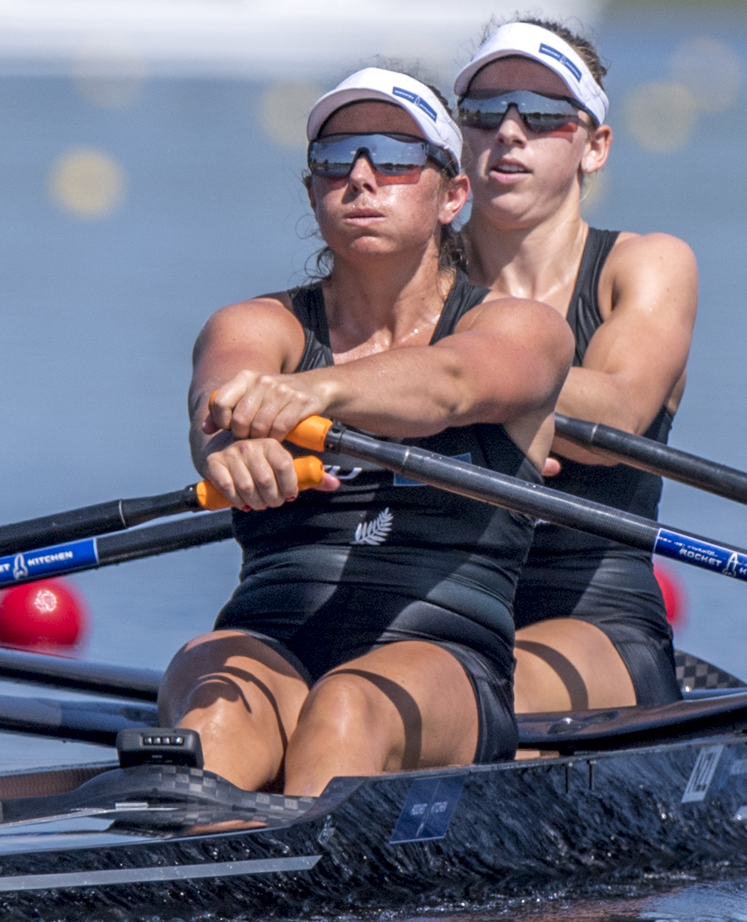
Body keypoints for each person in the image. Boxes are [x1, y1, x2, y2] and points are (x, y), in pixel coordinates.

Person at [163, 67, 575, 794]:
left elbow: (449, 386)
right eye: (334, 161)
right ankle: (176, 870)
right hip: (271, 636)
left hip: (442, 657)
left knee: (346, 709)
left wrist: (307, 395)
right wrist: (233, 449)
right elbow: (221, 401)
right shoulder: (258, 326)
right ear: (311, 190)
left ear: (453, 196)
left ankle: (307, 898)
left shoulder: (522, 329)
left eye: (392, 158)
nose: (359, 178)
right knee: (211, 727)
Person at [450, 17, 699, 713]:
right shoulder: (412, 276)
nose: (508, 131)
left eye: (542, 115)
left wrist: (436, 387)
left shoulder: (646, 266)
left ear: (595, 147)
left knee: (478, 693)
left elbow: (618, 409)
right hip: (432, 606)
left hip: (597, 618)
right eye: (483, 112)